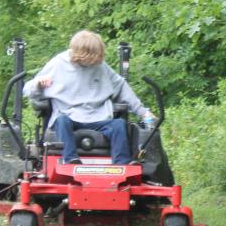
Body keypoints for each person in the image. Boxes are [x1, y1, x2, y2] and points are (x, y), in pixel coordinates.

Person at [23, 30, 155, 165]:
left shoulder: (101, 67)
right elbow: (28, 89)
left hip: (98, 117)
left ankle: (122, 163)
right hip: (68, 115)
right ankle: (71, 160)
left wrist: (143, 112)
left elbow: (121, 88)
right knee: (62, 121)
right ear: (83, 54)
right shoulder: (58, 64)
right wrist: (38, 83)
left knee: (119, 125)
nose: (98, 59)